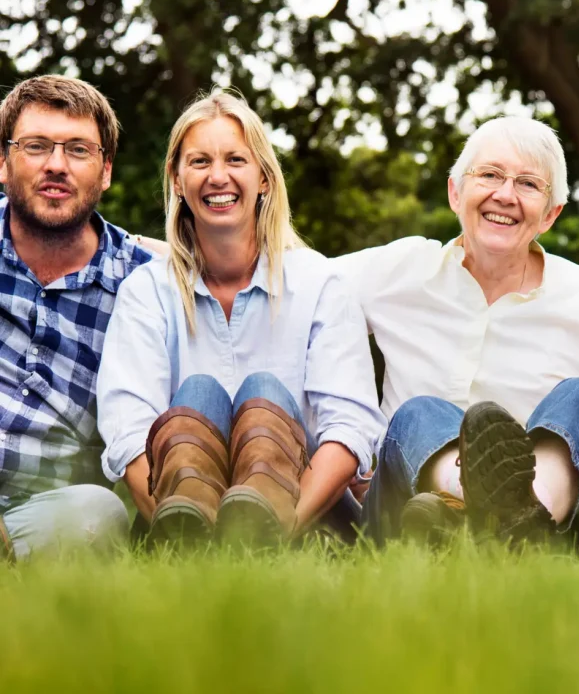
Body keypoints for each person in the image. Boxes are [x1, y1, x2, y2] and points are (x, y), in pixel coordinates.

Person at [334, 116, 579, 550]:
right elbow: (294, 288)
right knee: (418, 413)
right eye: (489, 175)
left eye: (527, 184)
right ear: (455, 192)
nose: (504, 195)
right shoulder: (395, 270)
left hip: (561, 537)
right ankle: (508, 519)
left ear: (550, 214)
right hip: (408, 516)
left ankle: (521, 517)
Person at [96, 91, 386, 546]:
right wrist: (183, 529)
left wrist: (281, 530)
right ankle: (194, 529)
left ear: (264, 178)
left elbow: (350, 428)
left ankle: (256, 526)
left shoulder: (319, 282)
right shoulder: (146, 291)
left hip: (303, 515)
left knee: (262, 392)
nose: (218, 177)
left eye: (235, 159)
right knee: (199, 395)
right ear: (175, 178)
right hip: (181, 518)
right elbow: (128, 431)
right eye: (198, 162)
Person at [0, 75, 154, 561]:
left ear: (105, 171)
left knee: (99, 512)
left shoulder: (143, 285)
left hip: (43, 514)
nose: (56, 165)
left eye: (78, 150)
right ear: (3, 162)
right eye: (36, 146)